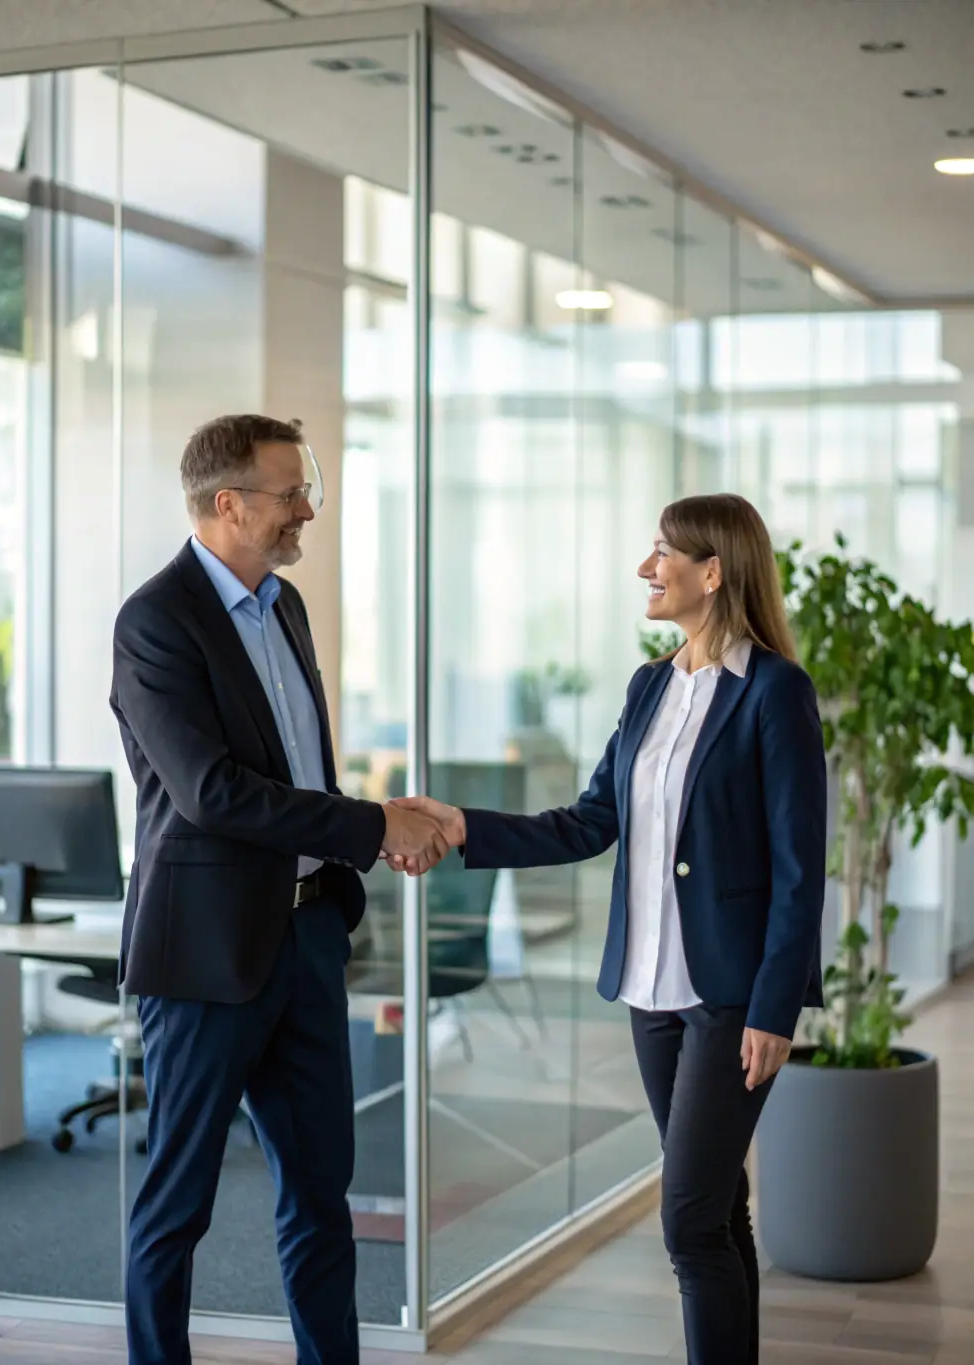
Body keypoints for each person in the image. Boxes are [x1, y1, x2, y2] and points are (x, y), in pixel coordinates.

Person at [390, 493, 827, 1365]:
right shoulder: (650, 684)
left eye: (664, 551)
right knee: (716, 1208)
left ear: (714, 571)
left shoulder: (776, 692)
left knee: (687, 1221)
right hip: (649, 991)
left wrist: (777, 1006)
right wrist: (465, 825)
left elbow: (799, 867)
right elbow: (589, 821)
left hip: (731, 997)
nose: (645, 567)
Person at [111, 414, 447, 1365]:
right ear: (227, 504)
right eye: (290, 492)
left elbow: (300, 774)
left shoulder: (286, 605)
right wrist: (371, 827)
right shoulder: (155, 621)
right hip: (206, 955)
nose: (307, 509)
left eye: (309, 489)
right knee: (178, 1205)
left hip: (305, 941)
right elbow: (214, 794)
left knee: (319, 1194)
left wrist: (371, 827)